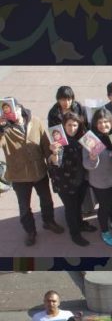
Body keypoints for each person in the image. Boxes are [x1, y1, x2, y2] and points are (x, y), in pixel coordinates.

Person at [0, 98, 65, 247]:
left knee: (47, 200)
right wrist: (1, 128)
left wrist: (53, 156)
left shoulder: (35, 122)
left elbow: (45, 146)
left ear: (19, 108)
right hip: (19, 176)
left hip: (39, 172)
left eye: (12, 109)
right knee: (24, 206)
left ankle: (49, 222)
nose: (10, 114)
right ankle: (30, 231)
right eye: (6, 112)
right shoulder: (5, 129)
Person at [45, 110, 94, 247]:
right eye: (69, 125)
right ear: (63, 126)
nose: (72, 128)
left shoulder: (83, 137)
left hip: (80, 179)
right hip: (64, 182)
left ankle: (81, 224)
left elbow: (96, 151)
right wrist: (54, 153)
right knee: (71, 208)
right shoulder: (58, 142)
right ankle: (75, 233)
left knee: (78, 205)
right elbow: (54, 161)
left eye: (75, 125)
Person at [80, 108, 112, 248]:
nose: (103, 125)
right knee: (104, 207)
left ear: (111, 122)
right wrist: (93, 158)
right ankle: (105, 231)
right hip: (100, 182)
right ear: (95, 123)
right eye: (99, 122)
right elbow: (86, 164)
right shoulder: (90, 139)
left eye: (106, 122)